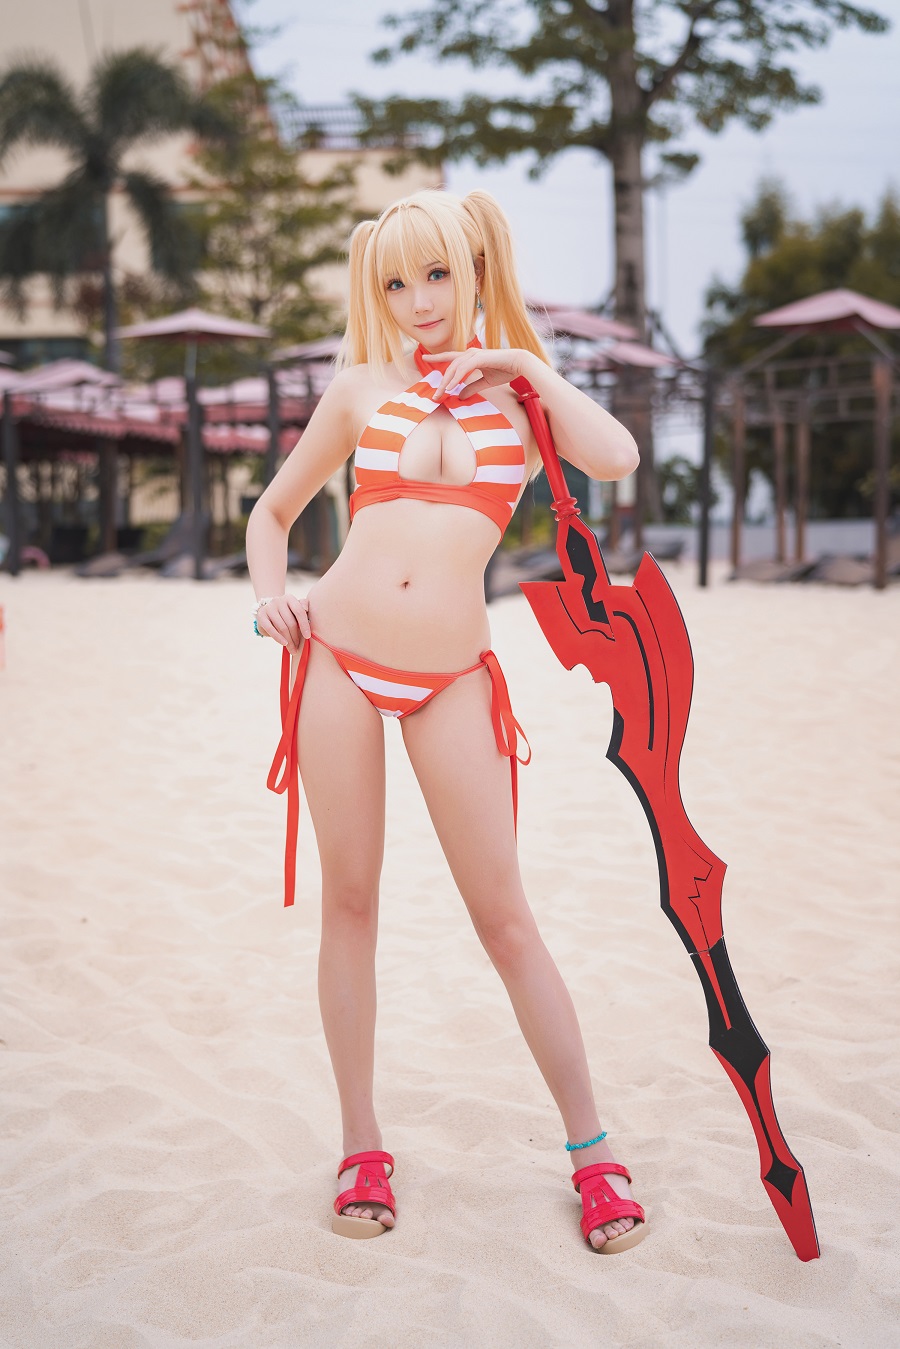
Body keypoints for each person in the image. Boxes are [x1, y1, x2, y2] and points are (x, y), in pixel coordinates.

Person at [246, 189, 646, 1253]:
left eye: (436, 275)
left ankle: (593, 1148)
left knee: (504, 915)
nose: (418, 301)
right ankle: (361, 1143)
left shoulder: (522, 401)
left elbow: (616, 456)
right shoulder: (357, 388)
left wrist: (522, 364)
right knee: (350, 901)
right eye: (395, 282)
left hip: (453, 674)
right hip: (336, 656)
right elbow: (272, 512)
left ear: (474, 270)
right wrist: (269, 595)